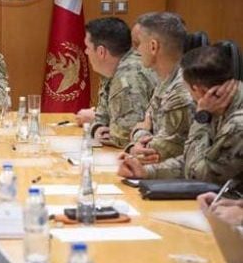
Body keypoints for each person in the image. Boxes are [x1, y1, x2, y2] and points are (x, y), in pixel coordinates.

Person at [119, 44, 243, 185]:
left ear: (199, 90)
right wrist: (147, 171)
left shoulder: (237, 124)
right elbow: (192, 159)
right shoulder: (217, 104)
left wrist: (201, 119)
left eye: (188, 90)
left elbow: (197, 174)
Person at [123, 12, 195, 163]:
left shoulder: (181, 91)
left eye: (139, 44)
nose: (137, 51)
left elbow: (155, 154)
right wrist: (141, 137)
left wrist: (138, 132)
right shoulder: (165, 81)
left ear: (153, 47)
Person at [81, 17, 156, 147]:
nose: (85, 52)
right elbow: (103, 118)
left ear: (101, 52)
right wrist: (97, 128)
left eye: (87, 47)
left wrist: (106, 131)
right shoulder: (112, 71)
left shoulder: (127, 76)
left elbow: (126, 136)